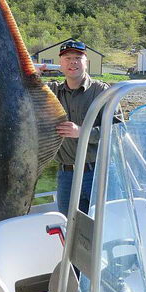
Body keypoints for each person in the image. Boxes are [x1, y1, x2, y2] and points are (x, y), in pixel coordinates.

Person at [43, 39, 116, 216]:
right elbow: (22, 92)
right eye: (67, 58)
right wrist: (31, 73)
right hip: (66, 175)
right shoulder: (51, 92)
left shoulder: (103, 92)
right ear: (60, 63)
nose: (72, 62)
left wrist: (82, 133)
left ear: (86, 62)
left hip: (97, 174)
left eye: (77, 57)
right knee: (71, 229)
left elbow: (118, 133)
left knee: (102, 228)